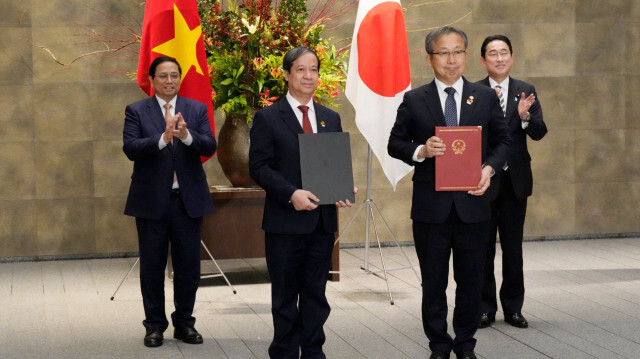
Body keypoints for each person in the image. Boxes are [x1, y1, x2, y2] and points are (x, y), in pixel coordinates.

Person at [387, 26, 510, 359]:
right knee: (434, 284)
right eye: (444, 53)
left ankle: (465, 343)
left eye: (458, 52)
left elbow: (503, 142)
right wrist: (421, 150)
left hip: (474, 207)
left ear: (466, 56)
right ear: (430, 58)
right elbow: (395, 143)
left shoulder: (484, 97)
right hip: (431, 211)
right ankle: (439, 344)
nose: (452, 60)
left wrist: (488, 168)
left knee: (471, 282)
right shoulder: (414, 100)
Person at [249, 46, 355, 359]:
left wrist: (342, 188)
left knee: (315, 295)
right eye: (301, 70)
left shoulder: (329, 118)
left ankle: (313, 353)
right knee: (284, 296)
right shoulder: (268, 118)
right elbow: (259, 167)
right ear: (286, 74)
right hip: (284, 223)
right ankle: (283, 353)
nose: (309, 76)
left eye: (314, 70)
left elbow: (331, 165)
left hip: (321, 224)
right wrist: (290, 193)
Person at [123, 56, 217, 348]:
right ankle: (154, 326)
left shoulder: (196, 108)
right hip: (151, 201)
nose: (169, 81)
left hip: (187, 201)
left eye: (174, 75)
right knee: (152, 266)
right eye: (162, 76)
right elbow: (131, 148)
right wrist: (163, 138)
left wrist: (187, 136)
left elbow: (209, 144)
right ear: (151, 80)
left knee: (188, 266)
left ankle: (184, 323)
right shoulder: (136, 111)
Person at [476, 35, 547, 329]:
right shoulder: (474, 91)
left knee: (513, 247)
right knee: (482, 248)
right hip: (484, 179)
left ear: (512, 57)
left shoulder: (525, 91)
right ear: (483, 60)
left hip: (515, 181)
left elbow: (540, 132)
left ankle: (513, 308)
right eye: (493, 53)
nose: (499, 58)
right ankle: (484, 308)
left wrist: (525, 116)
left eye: (504, 52)